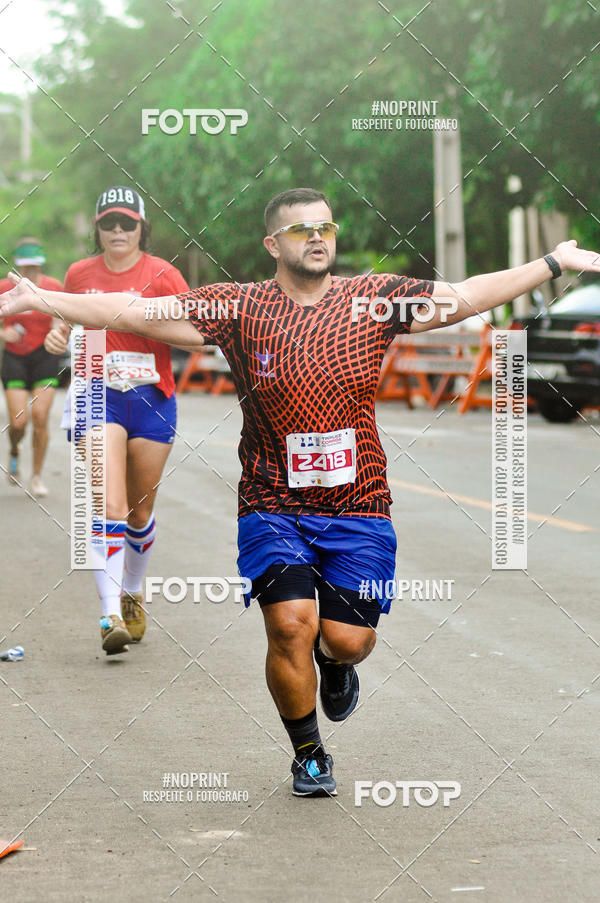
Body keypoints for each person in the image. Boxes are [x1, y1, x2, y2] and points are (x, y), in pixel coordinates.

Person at [3, 187, 599, 794]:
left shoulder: (373, 298)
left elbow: (468, 295)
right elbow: (130, 312)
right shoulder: (238, 307)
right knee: (290, 625)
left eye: (325, 227)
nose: (317, 237)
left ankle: (338, 666)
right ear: (272, 244)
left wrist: (552, 264)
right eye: (300, 230)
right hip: (271, 501)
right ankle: (309, 752)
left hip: (359, 501)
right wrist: (41, 296)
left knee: (347, 638)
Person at [43, 186, 193, 656]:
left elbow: (196, 330)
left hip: (152, 397)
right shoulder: (79, 273)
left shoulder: (164, 274)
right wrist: (56, 332)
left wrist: (147, 323)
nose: (118, 232)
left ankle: (131, 590)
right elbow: (64, 319)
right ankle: (109, 613)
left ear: (142, 227)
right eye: (109, 223)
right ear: (98, 228)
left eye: (127, 223)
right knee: (110, 504)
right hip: (95, 394)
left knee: (139, 513)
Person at [0, 238, 63, 497]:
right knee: (18, 422)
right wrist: (3, 333)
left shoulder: (53, 287)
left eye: (34, 267)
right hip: (15, 358)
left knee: (39, 416)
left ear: (41, 265)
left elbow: (64, 320)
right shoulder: (4, 287)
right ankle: (14, 450)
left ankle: (36, 475)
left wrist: (59, 330)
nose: (30, 273)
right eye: (25, 267)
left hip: (45, 358)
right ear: (18, 266)